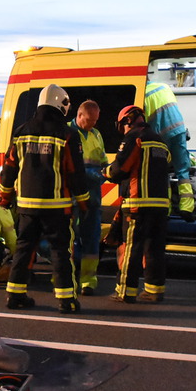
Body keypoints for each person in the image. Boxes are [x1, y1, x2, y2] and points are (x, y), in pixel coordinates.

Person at [0, 84, 89, 313]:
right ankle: (66, 300)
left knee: (23, 249)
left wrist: (4, 196)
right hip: (57, 207)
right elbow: (75, 172)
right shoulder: (67, 134)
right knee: (60, 252)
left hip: (27, 206)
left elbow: (8, 168)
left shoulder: (21, 131)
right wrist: (84, 201)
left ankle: (15, 295)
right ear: (62, 105)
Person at [106, 105, 171, 303]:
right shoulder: (161, 141)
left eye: (122, 126)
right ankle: (154, 290)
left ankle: (125, 291)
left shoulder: (135, 138)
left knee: (131, 249)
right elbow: (168, 166)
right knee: (154, 249)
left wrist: (105, 171)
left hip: (138, 205)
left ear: (127, 121)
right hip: (160, 206)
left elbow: (120, 169)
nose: (123, 131)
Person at [143, 79, 196, 220]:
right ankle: (187, 208)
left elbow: (144, 124)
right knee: (183, 171)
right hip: (179, 133)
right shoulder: (164, 86)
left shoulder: (144, 96)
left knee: (162, 172)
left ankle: (165, 209)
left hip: (161, 140)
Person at [70, 100, 108, 295]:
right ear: (79, 115)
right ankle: (67, 279)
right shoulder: (67, 132)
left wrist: (103, 174)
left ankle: (88, 281)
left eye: (95, 120)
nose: (93, 124)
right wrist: (90, 173)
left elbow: (103, 162)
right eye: (90, 120)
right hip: (71, 196)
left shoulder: (96, 134)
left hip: (92, 195)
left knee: (92, 238)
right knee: (68, 238)